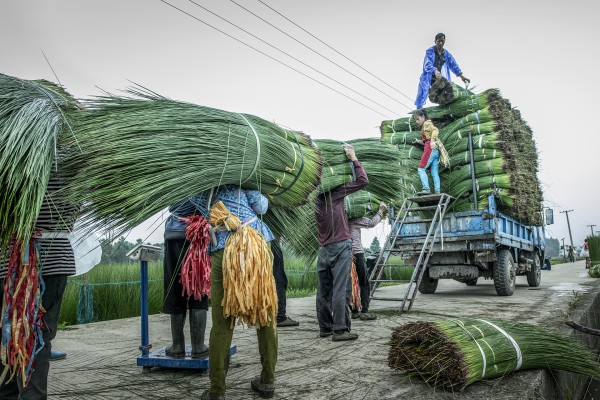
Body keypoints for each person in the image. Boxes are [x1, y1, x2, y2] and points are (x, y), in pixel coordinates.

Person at [189, 185, 276, 400]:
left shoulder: (196, 187)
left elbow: (184, 208)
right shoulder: (242, 179)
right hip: (255, 247)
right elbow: (262, 207)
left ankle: (217, 391)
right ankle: (267, 382)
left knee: (222, 320)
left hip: (224, 251)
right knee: (265, 314)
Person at [0, 173, 77, 399]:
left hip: (15, 260)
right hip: (39, 260)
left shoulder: (9, 151)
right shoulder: (71, 158)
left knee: (14, 334)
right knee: (35, 336)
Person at [315, 144, 369, 342]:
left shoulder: (313, 200)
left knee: (323, 290)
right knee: (341, 288)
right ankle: (340, 330)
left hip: (324, 248)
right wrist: (354, 158)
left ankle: (325, 328)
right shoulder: (334, 193)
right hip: (341, 246)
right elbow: (363, 181)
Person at [162, 198, 210, 359]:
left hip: (176, 236)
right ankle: (198, 347)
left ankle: (177, 346)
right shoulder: (210, 178)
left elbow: (172, 204)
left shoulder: (177, 178)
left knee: (175, 289)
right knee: (199, 288)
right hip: (199, 237)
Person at [348, 202, 388, 321]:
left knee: (350, 283)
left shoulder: (340, 219)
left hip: (344, 254)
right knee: (363, 282)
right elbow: (371, 223)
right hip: (357, 254)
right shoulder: (355, 219)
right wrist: (381, 211)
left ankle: (354, 311)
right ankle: (364, 310)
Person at [415, 32, 470, 109]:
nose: (440, 43)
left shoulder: (446, 54)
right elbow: (427, 65)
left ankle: (444, 110)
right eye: (438, 41)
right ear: (435, 41)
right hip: (429, 77)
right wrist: (435, 70)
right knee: (422, 94)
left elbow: (453, 65)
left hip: (438, 78)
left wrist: (462, 76)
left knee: (445, 93)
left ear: (444, 41)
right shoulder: (430, 51)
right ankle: (418, 111)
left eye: (442, 41)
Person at [271, 239, 299, 327]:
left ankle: (262, 315)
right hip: (270, 244)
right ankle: (280, 317)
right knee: (279, 280)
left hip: (257, 243)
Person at [413, 109, 441, 195]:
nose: (417, 121)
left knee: (421, 169)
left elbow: (435, 130)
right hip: (435, 150)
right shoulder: (425, 126)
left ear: (423, 117)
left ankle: (426, 189)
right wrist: (419, 141)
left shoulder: (426, 123)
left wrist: (432, 141)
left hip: (430, 149)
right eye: (416, 120)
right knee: (434, 172)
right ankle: (437, 191)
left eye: (418, 119)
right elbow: (426, 140)